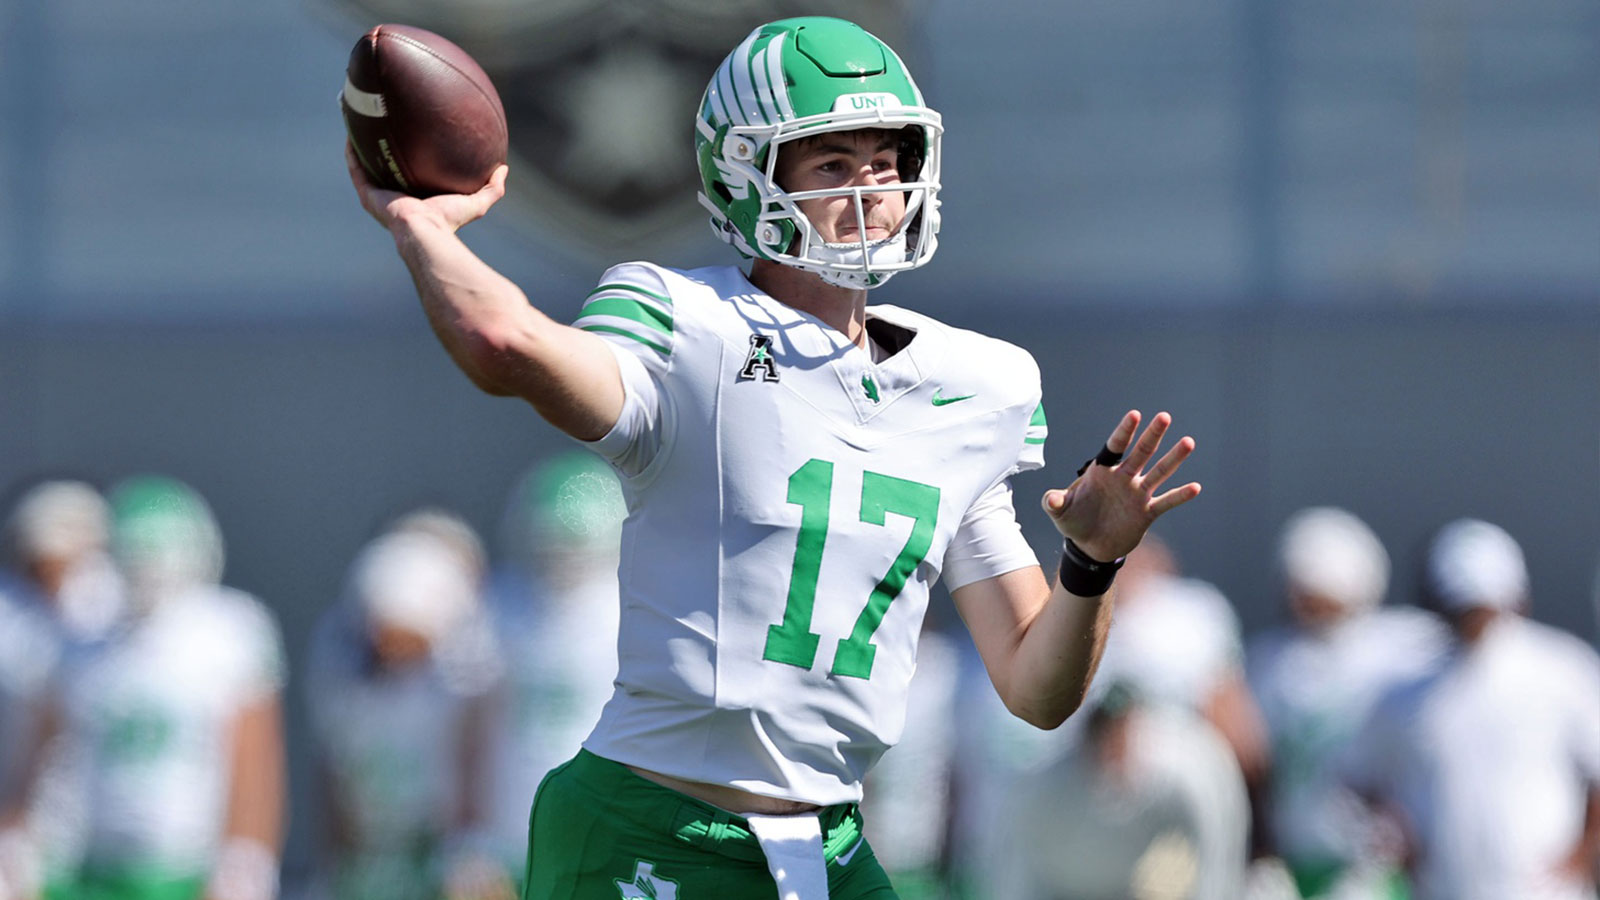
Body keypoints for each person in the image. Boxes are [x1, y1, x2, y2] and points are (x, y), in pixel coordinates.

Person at [347, 15, 1202, 899]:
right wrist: (422, 229)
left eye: (887, 159)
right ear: (749, 179)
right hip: (649, 825)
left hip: (828, 844)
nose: (872, 189)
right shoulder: (687, 327)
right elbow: (503, 341)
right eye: (833, 164)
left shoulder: (976, 388)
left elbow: (1036, 687)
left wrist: (1091, 563)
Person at [2, 476, 288, 900]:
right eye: (138, 558)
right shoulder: (81, 630)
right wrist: (19, 842)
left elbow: (255, 767)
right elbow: (42, 759)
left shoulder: (229, 634)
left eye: (161, 558)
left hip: (184, 868)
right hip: (90, 865)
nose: (149, 572)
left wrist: (244, 861)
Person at [1341, 519, 1600, 900]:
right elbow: (1357, 776)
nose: (1476, 621)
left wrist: (1580, 856)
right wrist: (1397, 836)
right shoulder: (1408, 689)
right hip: (1445, 890)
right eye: (1464, 609)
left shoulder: (1563, 669)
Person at [1246, 507, 1447, 899]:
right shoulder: (1270, 659)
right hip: (1298, 854)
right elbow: (1260, 764)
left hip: (1375, 859)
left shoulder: (1404, 647)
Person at [305, 520, 508, 900]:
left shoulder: (467, 678)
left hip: (441, 849)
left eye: (407, 636)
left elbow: (476, 760)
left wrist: (470, 847)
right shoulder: (342, 667)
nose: (394, 649)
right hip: (374, 853)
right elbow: (335, 777)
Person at [481, 453, 626, 888]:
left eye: (572, 545)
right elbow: (473, 721)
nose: (561, 556)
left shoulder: (625, 611)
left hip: (603, 824)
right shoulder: (502, 602)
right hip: (510, 826)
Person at [994, 681, 1250, 900]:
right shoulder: (1049, 782)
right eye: (1103, 731)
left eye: (1121, 729)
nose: (1113, 743)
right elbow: (1019, 856)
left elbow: (1217, 842)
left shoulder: (1186, 772)